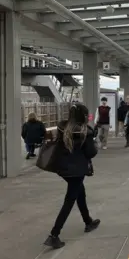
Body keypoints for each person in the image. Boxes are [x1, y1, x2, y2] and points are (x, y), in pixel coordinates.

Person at [44, 104, 100, 249]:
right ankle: (54, 235)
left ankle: (88, 221)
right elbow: (90, 153)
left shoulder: (63, 128)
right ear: (83, 116)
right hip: (77, 170)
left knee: (80, 193)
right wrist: (95, 143)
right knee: (70, 200)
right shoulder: (85, 132)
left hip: (63, 169)